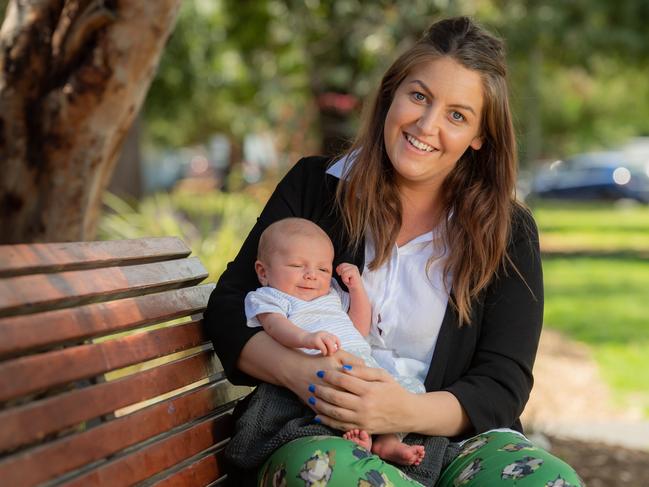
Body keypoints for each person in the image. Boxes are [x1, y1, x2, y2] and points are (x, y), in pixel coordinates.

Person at [206, 16, 583, 487]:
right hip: (317, 428)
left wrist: (402, 410)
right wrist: (311, 378)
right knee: (331, 474)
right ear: (391, 94)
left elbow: (502, 382)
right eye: (419, 96)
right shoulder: (313, 187)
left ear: (480, 136)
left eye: (457, 115)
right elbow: (228, 309)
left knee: (545, 481)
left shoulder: (508, 232)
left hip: (453, 440)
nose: (427, 125)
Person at [242, 217, 426, 466]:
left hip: (366, 365)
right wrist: (305, 338)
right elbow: (275, 327)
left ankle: (388, 439)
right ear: (263, 272)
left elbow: (358, 328)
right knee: (343, 399)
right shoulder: (269, 297)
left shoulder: (330, 294)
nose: (311, 276)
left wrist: (357, 290)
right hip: (324, 369)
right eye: (297, 265)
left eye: (323, 269)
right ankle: (356, 436)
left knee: (413, 390)